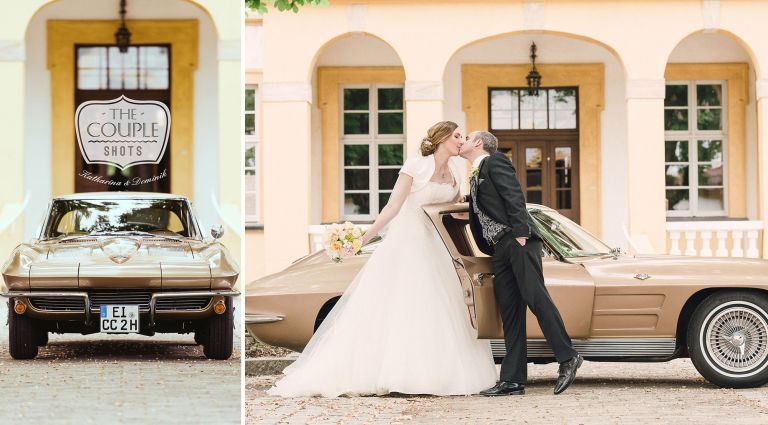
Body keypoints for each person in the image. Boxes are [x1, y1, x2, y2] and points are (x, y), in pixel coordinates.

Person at [267, 121, 497, 397]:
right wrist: (364, 238)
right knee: (401, 305)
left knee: (438, 306)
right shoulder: (415, 166)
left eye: (463, 136)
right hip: (408, 242)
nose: (462, 140)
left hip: (438, 244)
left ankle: (433, 373)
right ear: (443, 138)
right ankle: (391, 372)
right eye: (457, 136)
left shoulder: (455, 172)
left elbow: (455, 210)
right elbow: (392, 206)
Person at [459, 130, 582, 396]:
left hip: (517, 241)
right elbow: (488, 201)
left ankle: (568, 357)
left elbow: (514, 195)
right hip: (498, 248)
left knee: (536, 298)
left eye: (466, 138)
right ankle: (512, 380)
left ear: (478, 143)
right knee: (510, 311)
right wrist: (467, 201)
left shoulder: (494, 162)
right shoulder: (476, 174)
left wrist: (521, 233)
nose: (462, 141)